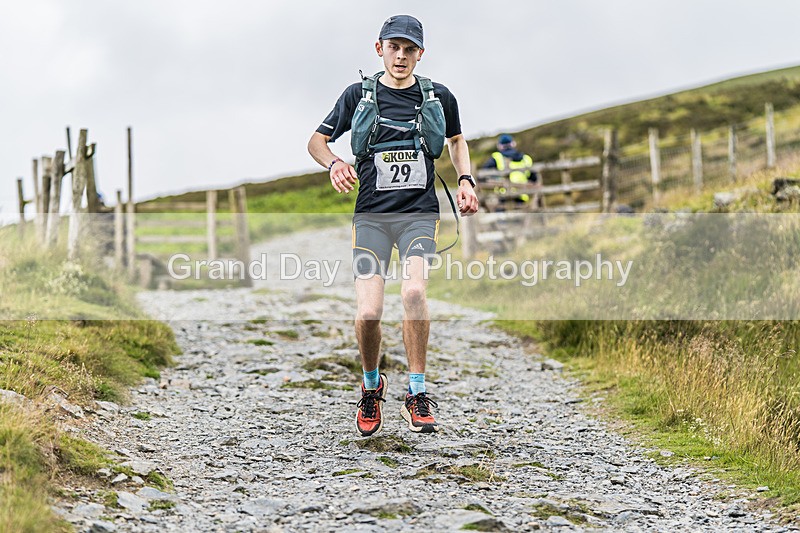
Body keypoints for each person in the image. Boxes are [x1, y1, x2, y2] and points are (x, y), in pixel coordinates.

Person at [307, 14, 478, 436]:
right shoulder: (357, 95)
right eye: (393, 47)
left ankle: (416, 393)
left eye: (409, 49)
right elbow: (316, 141)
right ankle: (371, 387)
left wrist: (466, 180)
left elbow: (456, 140)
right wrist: (335, 164)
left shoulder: (438, 96)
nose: (401, 56)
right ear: (379, 48)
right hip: (371, 217)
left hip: (418, 214)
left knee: (415, 292)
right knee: (368, 312)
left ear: (421, 54)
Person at [481, 133, 539, 206]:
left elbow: (484, 174)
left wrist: (496, 179)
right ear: (513, 143)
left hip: (502, 195)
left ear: (500, 146)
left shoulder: (496, 157)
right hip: (522, 195)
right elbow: (534, 178)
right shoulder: (526, 158)